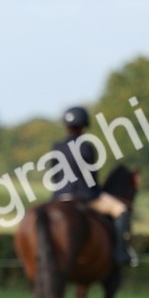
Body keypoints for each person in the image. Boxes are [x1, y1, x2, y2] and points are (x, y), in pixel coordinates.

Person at [52, 106, 138, 267]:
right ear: (84, 125)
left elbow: (54, 175)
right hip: (84, 196)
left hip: (60, 196)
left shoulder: (57, 147)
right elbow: (91, 177)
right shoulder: (87, 147)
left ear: (66, 125)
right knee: (121, 209)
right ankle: (121, 253)